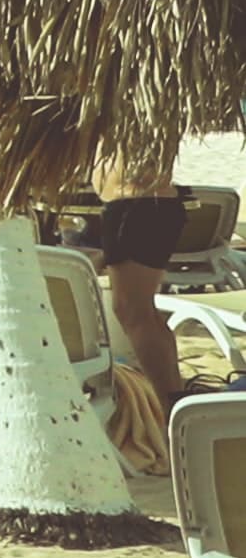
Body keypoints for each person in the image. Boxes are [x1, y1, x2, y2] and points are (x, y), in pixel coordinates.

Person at [88, 151, 192, 412]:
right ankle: (173, 398)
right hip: (139, 206)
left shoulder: (128, 115)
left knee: (133, 312)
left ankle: (169, 407)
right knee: (143, 312)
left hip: (137, 205)